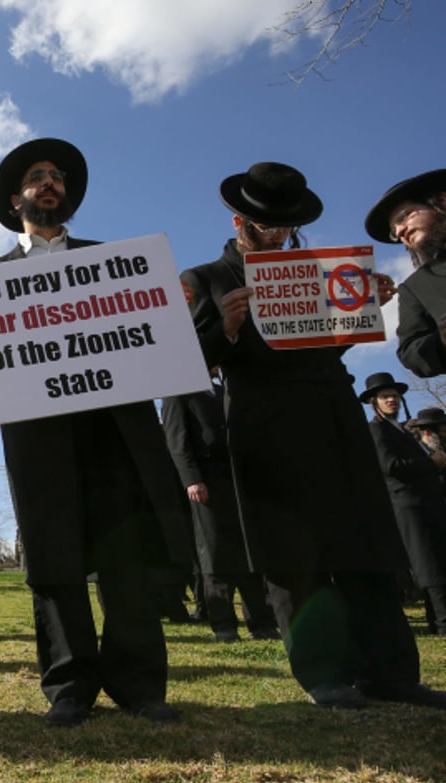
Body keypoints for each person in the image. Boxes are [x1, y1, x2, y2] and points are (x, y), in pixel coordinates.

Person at [0, 138, 193, 727]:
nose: (51, 183)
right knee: (55, 557)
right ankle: (70, 684)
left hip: (114, 432)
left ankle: (140, 684)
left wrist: (167, 309)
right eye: (38, 176)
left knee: (126, 556)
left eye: (58, 177)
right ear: (15, 199)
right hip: (38, 437)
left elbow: (153, 340)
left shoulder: (115, 265)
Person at [180, 161, 444, 710]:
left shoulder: (322, 273)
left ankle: (391, 675)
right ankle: (324, 674)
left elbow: (328, 345)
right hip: (263, 426)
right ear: (239, 222)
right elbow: (187, 365)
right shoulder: (206, 278)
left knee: (364, 546)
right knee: (293, 556)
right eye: (265, 224)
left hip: (334, 416)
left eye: (285, 225)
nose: (277, 234)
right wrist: (225, 328)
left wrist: (366, 308)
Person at [161, 373, 280, 643]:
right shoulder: (178, 391)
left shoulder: (226, 390)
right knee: (215, 553)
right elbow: (177, 439)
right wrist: (192, 478)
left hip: (237, 479)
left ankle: (261, 623)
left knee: (248, 551)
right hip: (206, 479)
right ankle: (224, 625)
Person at [359, 373, 446, 637]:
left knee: (439, 562)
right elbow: (391, 466)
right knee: (428, 564)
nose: (391, 401)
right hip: (409, 506)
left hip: (428, 503)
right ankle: (442, 623)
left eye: (395, 396)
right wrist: (432, 463)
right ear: (374, 402)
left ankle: (437, 620)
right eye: (385, 397)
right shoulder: (377, 429)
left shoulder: (402, 430)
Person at [363, 169, 446, 377]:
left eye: (405, 215)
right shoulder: (416, 286)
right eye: (394, 230)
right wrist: (441, 341)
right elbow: (411, 351)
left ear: (442, 202)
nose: (400, 231)